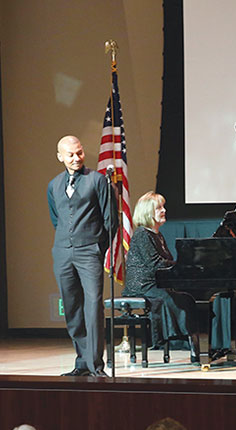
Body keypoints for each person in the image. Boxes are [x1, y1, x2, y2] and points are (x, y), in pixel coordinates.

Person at [47, 135, 117, 377]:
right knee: (72, 307)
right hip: (63, 252)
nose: (76, 158)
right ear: (60, 157)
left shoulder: (97, 181)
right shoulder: (54, 185)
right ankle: (82, 362)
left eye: (79, 153)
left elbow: (111, 220)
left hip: (90, 251)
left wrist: (99, 246)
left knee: (93, 305)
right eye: (70, 154)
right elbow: (57, 218)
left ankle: (96, 364)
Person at [122, 192, 199, 362]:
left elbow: (165, 261)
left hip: (155, 282)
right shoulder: (142, 234)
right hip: (141, 285)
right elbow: (155, 263)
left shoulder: (157, 235)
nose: (163, 210)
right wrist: (180, 264)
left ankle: (190, 341)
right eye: (159, 208)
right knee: (175, 300)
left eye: (163, 207)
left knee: (186, 298)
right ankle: (181, 340)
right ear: (148, 212)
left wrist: (179, 265)